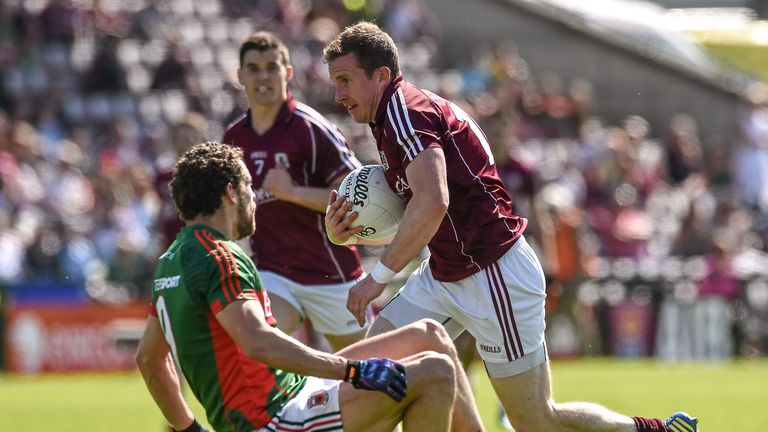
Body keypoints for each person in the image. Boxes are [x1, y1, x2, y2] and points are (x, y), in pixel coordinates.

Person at [322, 21, 698, 432]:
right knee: (369, 370)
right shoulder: (394, 113)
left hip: (493, 275)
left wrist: (378, 277)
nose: (338, 94)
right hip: (445, 273)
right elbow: (424, 213)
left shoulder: (404, 113)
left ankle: (652, 429)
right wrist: (350, 230)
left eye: (345, 80)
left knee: (536, 419)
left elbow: (433, 202)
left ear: (380, 75)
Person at [135, 141, 480, 432]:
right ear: (230, 193)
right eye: (249, 188)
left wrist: (188, 428)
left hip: (288, 393)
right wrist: (352, 371)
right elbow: (258, 342)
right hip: (274, 419)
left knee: (430, 334)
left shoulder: (172, 259)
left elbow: (149, 358)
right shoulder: (219, 256)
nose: (255, 199)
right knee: (435, 373)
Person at [222, 32, 368, 351]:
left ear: (287, 73)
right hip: (275, 273)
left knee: (370, 371)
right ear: (240, 76)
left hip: (332, 275)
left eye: (271, 67)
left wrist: (292, 192)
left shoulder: (312, 129)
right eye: (254, 68)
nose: (263, 76)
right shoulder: (233, 138)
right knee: (256, 344)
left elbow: (356, 200)